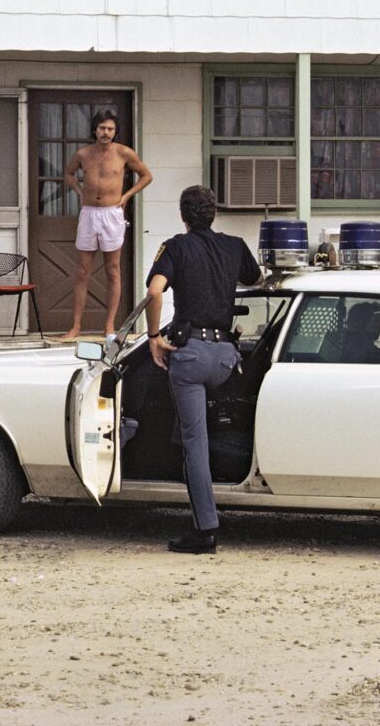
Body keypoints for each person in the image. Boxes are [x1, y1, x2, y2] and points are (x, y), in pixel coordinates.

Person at [145, 184, 262, 554]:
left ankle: (204, 531)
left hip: (192, 357)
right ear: (214, 214)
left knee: (196, 443)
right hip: (227, 358)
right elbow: (257, 281)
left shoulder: (176, 247)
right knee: (198, 427)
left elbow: (154, 292)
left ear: (183, 216)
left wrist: (152, 338)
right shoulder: (234, 246)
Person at [63, 111, 152, 338]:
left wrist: (126, 196)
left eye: (110, 129)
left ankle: (109, 326)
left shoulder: (124, 152)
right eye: (102, 128)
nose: (106, 133)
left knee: (113, 270)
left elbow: (146, 175)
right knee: (83, 271)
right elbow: (69, 173)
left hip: (112, 213)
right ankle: (76, 326)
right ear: (95, 130)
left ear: (115, 132)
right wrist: (80, 192)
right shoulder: (83, 154)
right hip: (89, 213)